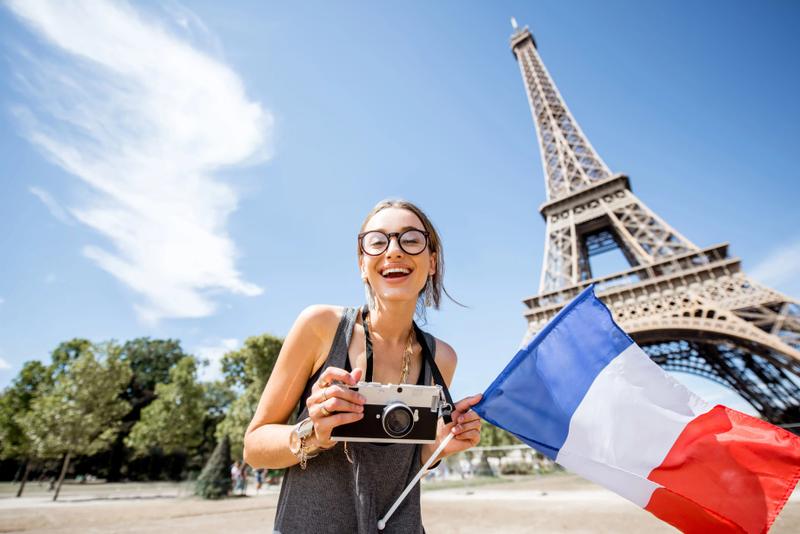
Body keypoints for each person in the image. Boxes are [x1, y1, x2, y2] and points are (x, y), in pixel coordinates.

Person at [244, 199, 482, 533]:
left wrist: (440, 445)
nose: (394, 251)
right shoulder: (320, 326)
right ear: (361, 263)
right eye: (378, 241)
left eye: (411, 239)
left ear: (431, 262)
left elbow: (404, 470)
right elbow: (254, 448)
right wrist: (313, 432)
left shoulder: (442, 358)